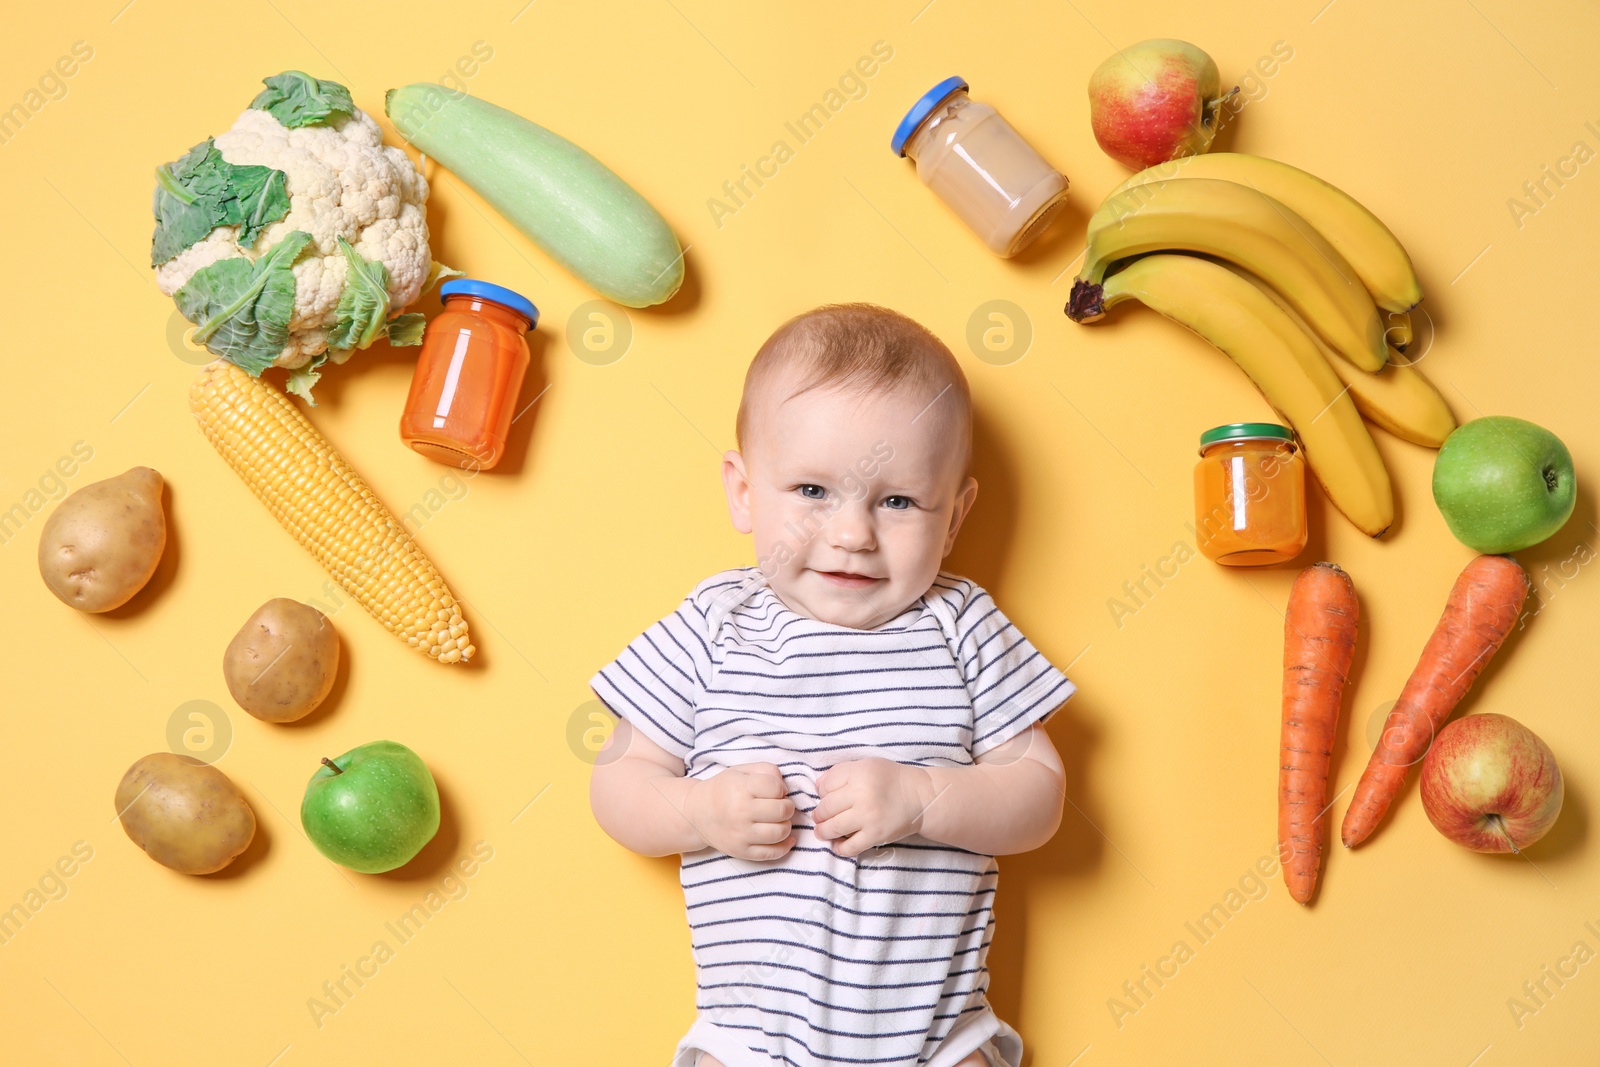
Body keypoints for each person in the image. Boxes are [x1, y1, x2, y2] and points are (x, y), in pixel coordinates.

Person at [589, 303, 1076, 1067]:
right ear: (745, 491)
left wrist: (922, 799)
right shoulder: (713, 624)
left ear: (954, 518)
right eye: (813, 491)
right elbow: (618, 780)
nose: (853, 533)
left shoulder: (962, 624)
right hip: (748, 1040)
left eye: (898, 501)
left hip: (940, 1037)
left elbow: (1040, 793)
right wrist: (700, 810)